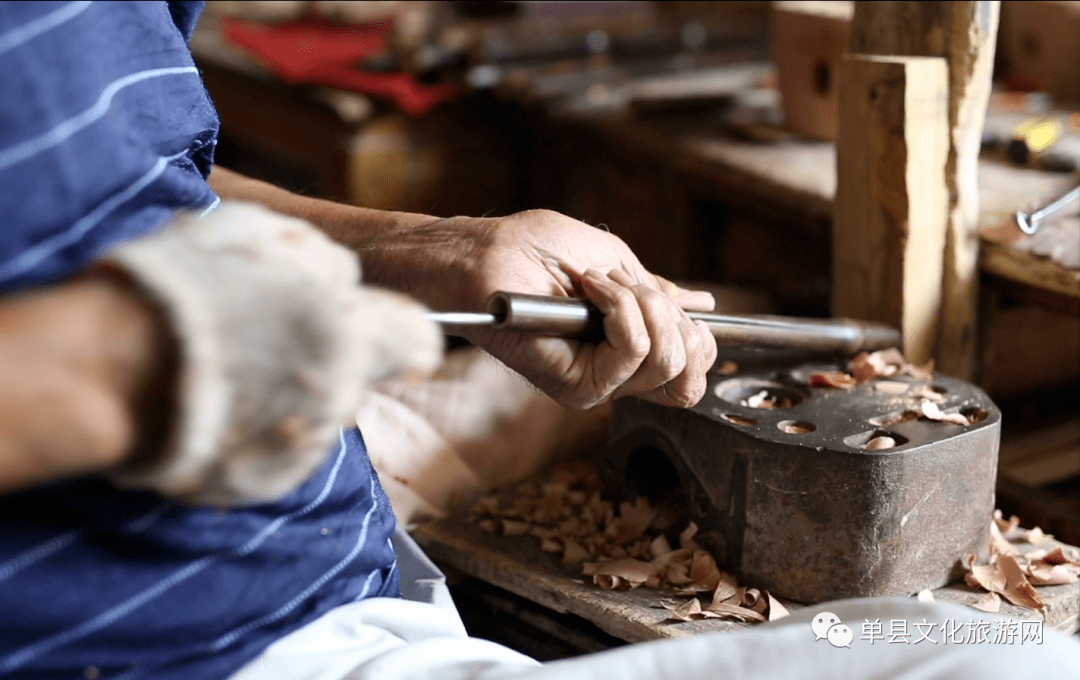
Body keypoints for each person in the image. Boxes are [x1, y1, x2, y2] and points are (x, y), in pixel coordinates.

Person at [1, 3, 1078, 680]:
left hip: (344, 597)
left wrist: (418, 245)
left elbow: (135, 181)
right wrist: (116, 367)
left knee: (1016, 654)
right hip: (130, 641)